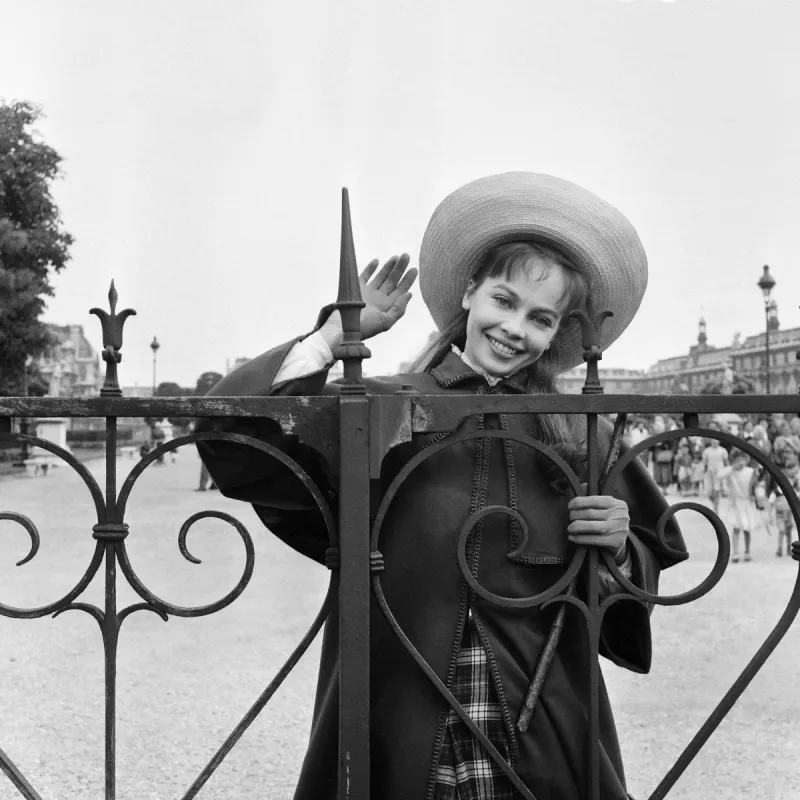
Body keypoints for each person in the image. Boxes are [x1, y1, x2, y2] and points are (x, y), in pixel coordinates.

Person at [196, 172, 687, 800]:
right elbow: (228, 433)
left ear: (558, 333)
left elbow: (638, 572)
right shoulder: (379, 407)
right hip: (396, 695)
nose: (515, 328)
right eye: (503, 301)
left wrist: (618, 546)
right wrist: (331, 339)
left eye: (541, 318)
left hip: (545, 711)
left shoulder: (577, 431)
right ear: (469, 293)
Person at [717, 450, 758, 563]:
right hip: (736, 503)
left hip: (747, 502)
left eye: (742, 459)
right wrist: (732, 467)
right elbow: (719, 475)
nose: (740, 462)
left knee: (747, 529)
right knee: (736, 527)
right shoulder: (731, 471)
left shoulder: (750, 471)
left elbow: (756, 485)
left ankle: (747, 551)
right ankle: (735, 552)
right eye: (737, 459)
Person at [772, 450, 800, 558]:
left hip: (789, 513)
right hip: (780, 512)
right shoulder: (778, 490)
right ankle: (780, 548)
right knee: (782, 530)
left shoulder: (796, 486)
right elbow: (771, 499)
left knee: (788, 531)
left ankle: (788, 548)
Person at [702, 439, 729, 514]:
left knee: (716, 491)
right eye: (713, 441)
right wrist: (703, 472)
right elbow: (704, 463)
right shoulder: (707, 451)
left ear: (719, 441)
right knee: (709, 493)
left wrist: (728, 472)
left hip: (719, 473)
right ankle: (715, 504)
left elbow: (726, 462)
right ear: (710, 442)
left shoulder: (723, 450)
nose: (714, 442)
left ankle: (716, 509)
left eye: (716, 441)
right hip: (709, 473)